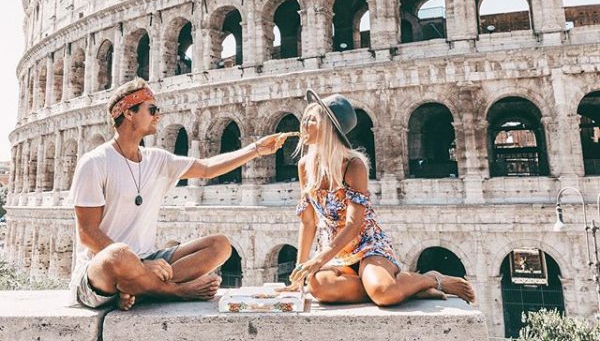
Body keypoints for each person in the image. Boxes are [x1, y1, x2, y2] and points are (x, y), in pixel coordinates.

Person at [70, 78, 289, 310]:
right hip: (100, 271)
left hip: (149, 261)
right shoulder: (95, 162)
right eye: (152, 109)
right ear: (128, 113)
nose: (158, 115)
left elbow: (206, 168)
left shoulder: (158, 159)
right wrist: (140, 264)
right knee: (120, 254)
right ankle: (173, 291)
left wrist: (255, 150)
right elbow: (87, 234)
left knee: (220, 245)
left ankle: (140, 289)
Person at [285, 89, 476, 306]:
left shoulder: (353, 165)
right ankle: (404, 288)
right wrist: (300, 272)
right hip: (334, 252)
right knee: (319, 288)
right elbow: (308, 222)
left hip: (367, 245)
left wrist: (318, 259)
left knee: (383, 294)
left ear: (329, 128)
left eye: (311, 119)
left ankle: (430, 279)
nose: (303, 123)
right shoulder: (305, 167)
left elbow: (354, 224)